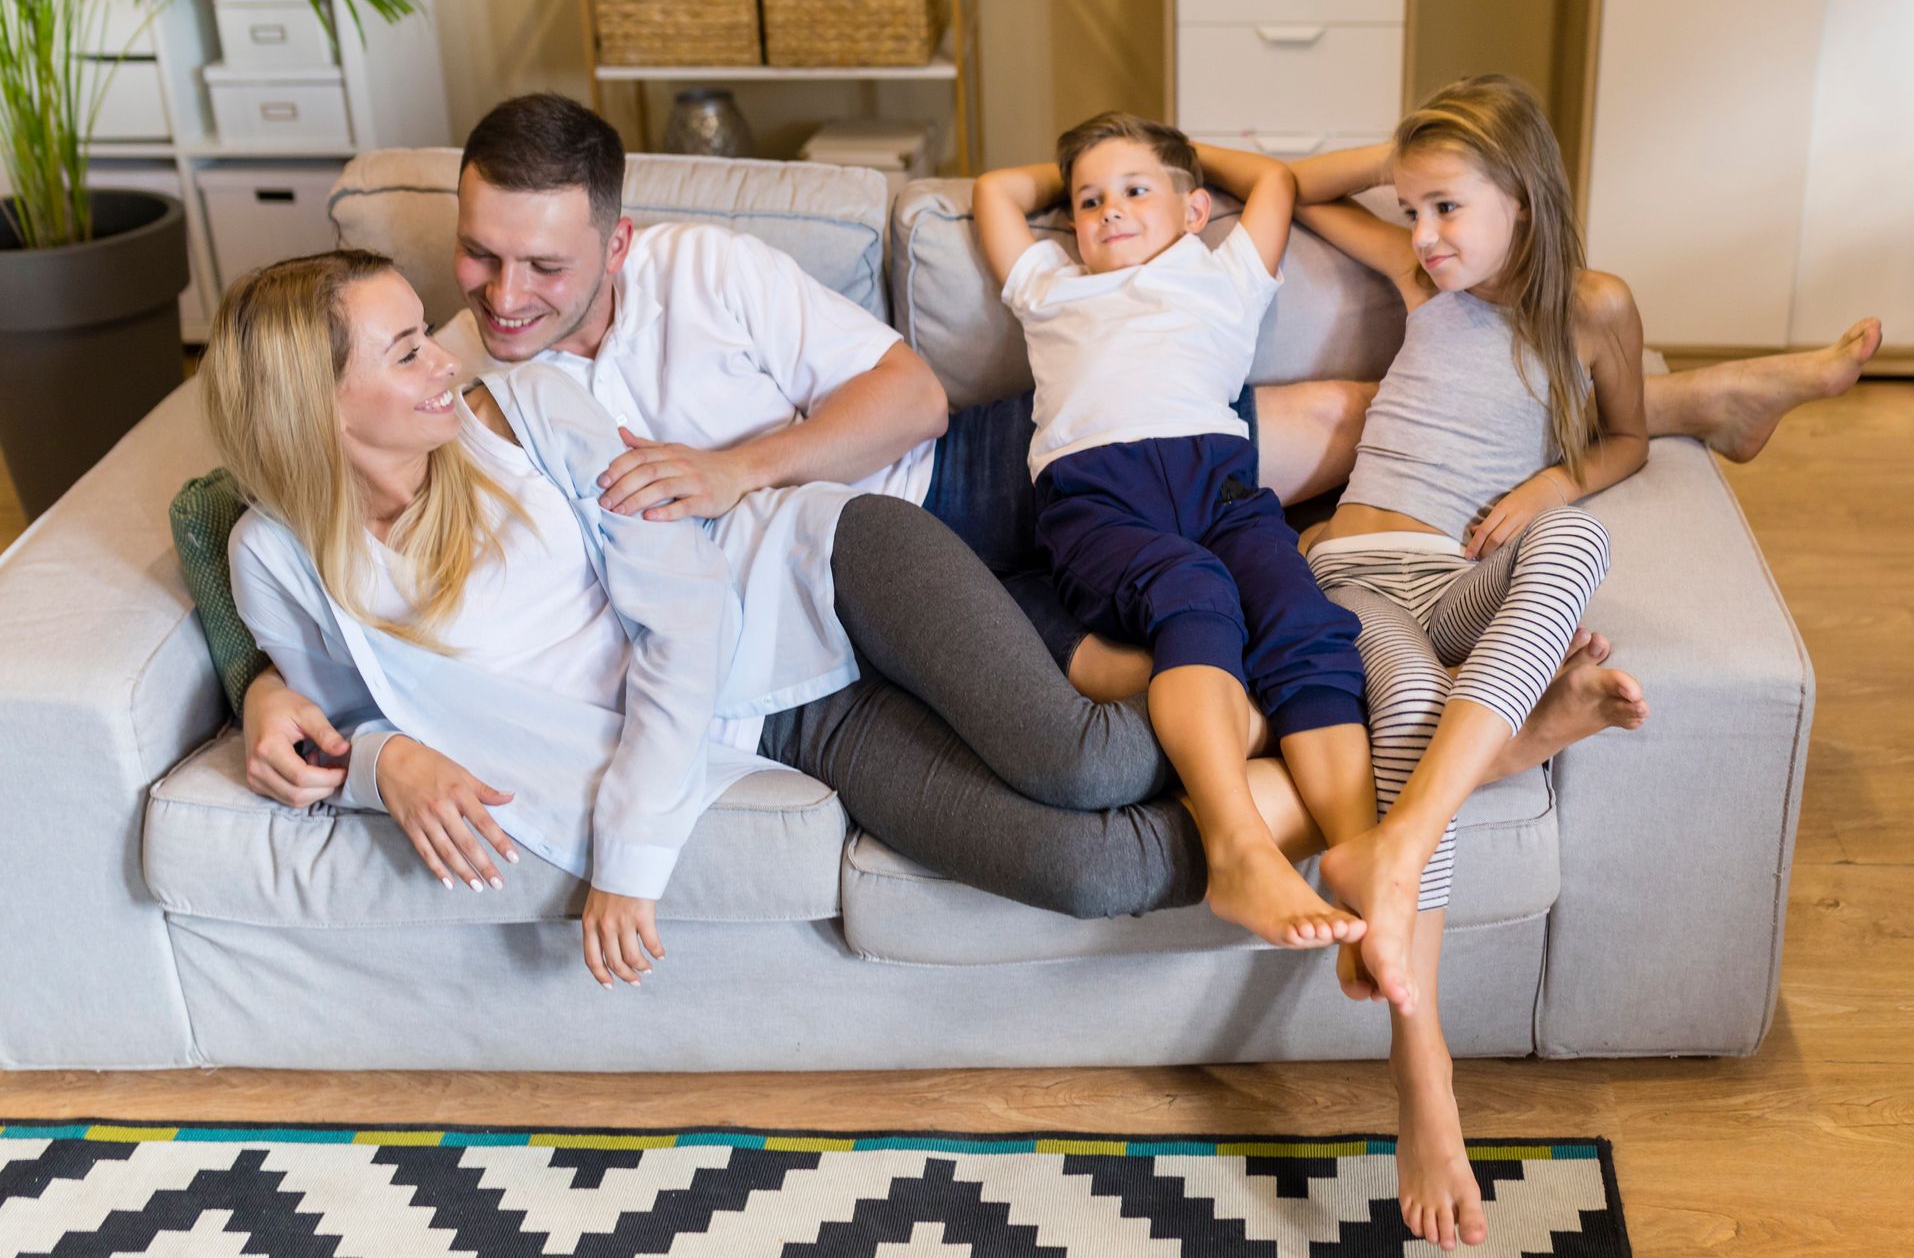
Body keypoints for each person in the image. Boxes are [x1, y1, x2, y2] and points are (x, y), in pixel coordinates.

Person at [219, 92, 1879, 821]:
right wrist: (266, 690)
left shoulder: (703, 277)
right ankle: (1691, 409)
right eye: (476, 268)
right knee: (1140, 632)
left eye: (537, 270)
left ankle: (1681, 405)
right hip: (902, 572)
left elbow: (914, 402)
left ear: (616, 239)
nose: (497, 302)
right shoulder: (451, 375)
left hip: (993, 469)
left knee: (1341, 425)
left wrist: (741, 470)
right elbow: (267, 483)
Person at [208, 249, 1372, 990]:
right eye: (408, 348)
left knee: (1084, 755)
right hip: (764, 723)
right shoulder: (276, 557)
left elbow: (674, 622)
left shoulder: (524, 410)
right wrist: (381, 761)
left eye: (427, 332)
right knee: (1084, 865)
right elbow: (345, 714)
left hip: (816, 569)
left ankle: (1294, 654)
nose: (449, 358)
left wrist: (632, 856)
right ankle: (1271, 782)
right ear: (315, 399)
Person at [1281, 76, 1650, 1251]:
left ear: (1526, 204)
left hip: (1462, 573)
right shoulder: (1411, 274)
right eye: (1414, 207)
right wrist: (1401, 157)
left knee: (1580, 535)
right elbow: (1285, 184)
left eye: (1449, 208)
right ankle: (1422, 1072)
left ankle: (1393, 848)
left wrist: (1553, 479)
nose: (1426, 237)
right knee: (1405, 712)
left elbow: (1631, 434)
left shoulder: (1593, 306)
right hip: (1351, 576)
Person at [971, 113, 1379, 955]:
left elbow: (1274, 181)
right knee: (1194, 590)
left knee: (1301, 617)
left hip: (1221, 486)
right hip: (1098, 501)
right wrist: (1075, 177)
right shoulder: (1050, 282)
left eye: (1133, 191)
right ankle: (1235, 848)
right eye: (1089, 201)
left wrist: (1184, 159)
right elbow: (994, 192)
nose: (1108, 210)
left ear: (1194, 210)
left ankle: (1360, 852)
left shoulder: (1221, 272)